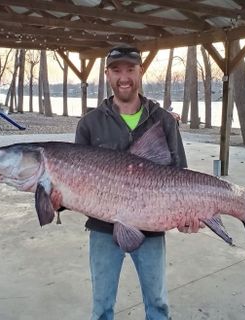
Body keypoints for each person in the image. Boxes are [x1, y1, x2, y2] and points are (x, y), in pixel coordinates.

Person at [75, 45, 192, 320]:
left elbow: (180, 175)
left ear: (141, 72)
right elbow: (75, 179)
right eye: (116, 70)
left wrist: (188, 214)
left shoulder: (163, 120)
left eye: (130, 69)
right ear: (107, 75)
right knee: (101, 307)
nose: (123, 77)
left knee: (158, 304)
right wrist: (55, 201)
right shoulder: (89, 124)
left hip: (150, 228)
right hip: (103, 230)